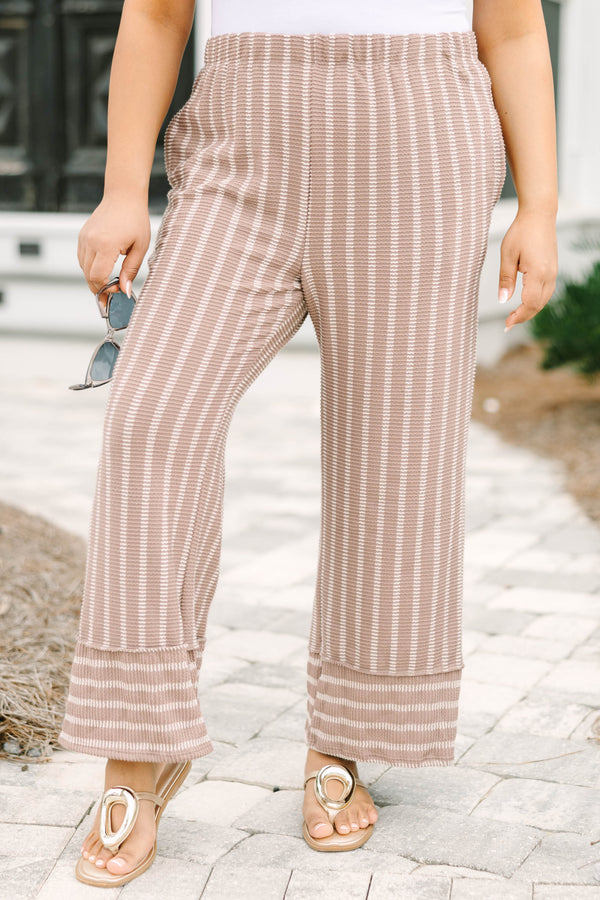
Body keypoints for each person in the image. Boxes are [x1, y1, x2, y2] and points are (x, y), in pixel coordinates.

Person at [59, 0, 558, 887]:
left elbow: (514, 29)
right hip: (241, 142)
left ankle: (347, 736)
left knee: (394, 450)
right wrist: (123, 188)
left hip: (422, 139)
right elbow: (157, 14)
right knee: (150, 417)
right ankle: (137, 744)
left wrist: (541, 206)